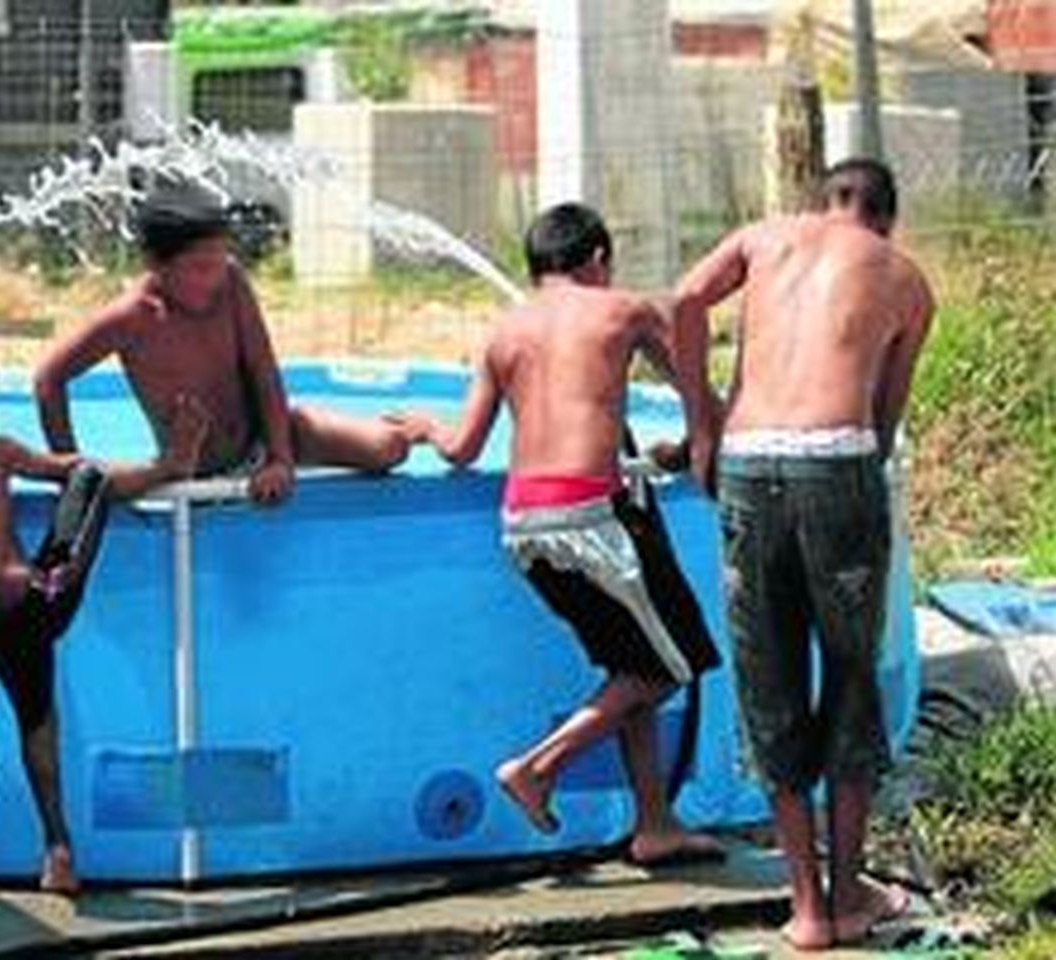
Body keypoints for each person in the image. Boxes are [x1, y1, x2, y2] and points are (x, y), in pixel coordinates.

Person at [393, 202, 724, 868]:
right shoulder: (625, 310)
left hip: (524, 528)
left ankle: (654, 825)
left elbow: (462, 448)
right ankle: (538, 768)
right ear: (598, 259)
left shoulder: (503, 333)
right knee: (674, 665)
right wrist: (690, 448)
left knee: (630, 667)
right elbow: (703, 404)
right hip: (593, 522)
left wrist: (426, 428)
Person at [672, 158, 934, 951]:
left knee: (769, 679)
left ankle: (807, 910)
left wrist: (704, 425)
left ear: (821, 204)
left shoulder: (762, 238)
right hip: (836, 465)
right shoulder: (904, 278)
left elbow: (683, 301)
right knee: (850, 677)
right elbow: (883, 421)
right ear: (886, 219)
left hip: (749, 462)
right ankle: (850, 896)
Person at [0, 336, 206, 895]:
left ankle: (57, 849)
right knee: (91, 479)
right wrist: (163, 465)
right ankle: (173, 463)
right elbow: (75, 471)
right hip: (39, 602)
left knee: (36, 721)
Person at [33, 181, 411, 506]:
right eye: (199, 268)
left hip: (264, 438)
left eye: (219, 261)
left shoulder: (230, 281)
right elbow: (49, 379)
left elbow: (263, 368)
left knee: (389, 447)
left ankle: (416, 428)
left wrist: (280, 458)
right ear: (155, 264)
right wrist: (70, 472)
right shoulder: (132, 317)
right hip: (192, 467)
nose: (213, 279)